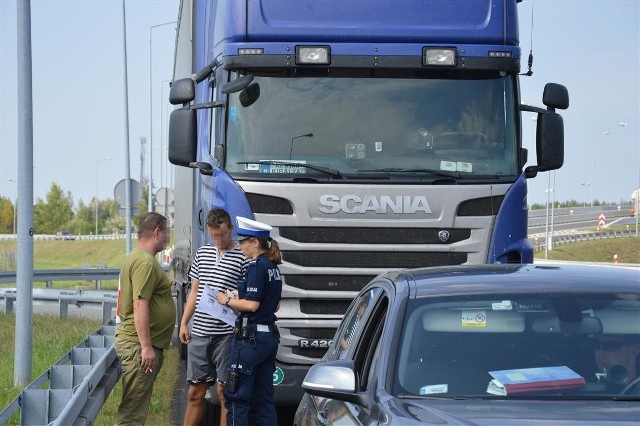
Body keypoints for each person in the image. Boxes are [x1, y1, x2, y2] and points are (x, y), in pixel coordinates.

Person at [179, 209, 247, 426]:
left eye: (222, 235)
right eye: (214, 235)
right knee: (195, 392)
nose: (218, 240)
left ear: (231, 230)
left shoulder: (242, 257)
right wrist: (183, 323)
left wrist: (229, 298)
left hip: (227, 335)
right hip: (200, 332)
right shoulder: (202, 253)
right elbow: (194, 292)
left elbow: (246, 295)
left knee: (224, 392)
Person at [215, 216, 282, 426]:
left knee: (237, 399)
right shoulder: (272, 267)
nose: (240, 245)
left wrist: (226, 300)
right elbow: (273, 304)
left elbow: (252, 305)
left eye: (243, 241)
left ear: (255, 242)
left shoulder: (255, 267)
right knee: (264, 400)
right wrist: (238, 296)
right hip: (268, 337)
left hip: (250, 341)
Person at [114, 212, 176, 425]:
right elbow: (140, 304)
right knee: (132, 415)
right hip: (137, 347)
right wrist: (146, 347)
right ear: (157, 232)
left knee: (134, 410)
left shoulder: (136, 257)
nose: (168, 238)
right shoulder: (145, 263)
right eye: (166, 232)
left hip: (135, 344)